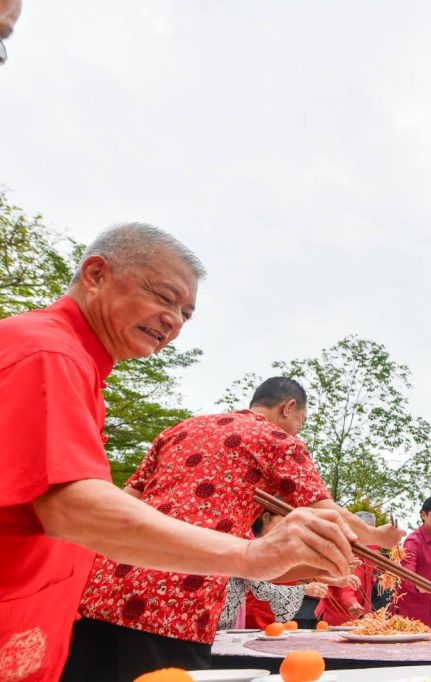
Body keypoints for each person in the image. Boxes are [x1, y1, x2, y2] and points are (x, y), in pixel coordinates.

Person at [0, 224, 363, 682]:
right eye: (163, 296)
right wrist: (255, 554)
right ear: (94, 274)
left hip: (94, 596)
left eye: (186, 313)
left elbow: (124, 498)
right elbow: (72, 505)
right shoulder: (48, 352)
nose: (172, 320)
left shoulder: (171, 423)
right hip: (173, 599)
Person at [65, 376, 401, 680]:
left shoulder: (179, 429)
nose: (299, 430)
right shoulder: (277, 439)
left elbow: (125, 502)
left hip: (102, 586)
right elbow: (328, 515)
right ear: (289, 407)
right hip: (178, 598)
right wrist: (379, 536)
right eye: (301, 421)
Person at [218, 509, 332, 630]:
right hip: (250, 611)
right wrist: (304, 589)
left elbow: (291, 572)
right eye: (284, 523)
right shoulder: (246, 541)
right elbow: (261, 586)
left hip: (260, 610)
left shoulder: (278, 545)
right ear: (266, 517)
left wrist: (332, 576)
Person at [315, 511, 380, 625]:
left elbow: (370, 579)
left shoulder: (372, 549)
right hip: (335, 611)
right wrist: (353, 603)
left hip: (361, 614)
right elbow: (345, 586)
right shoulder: (342, 548)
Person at [394, 496, 431, 625]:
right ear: (423, 515)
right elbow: (407, 574)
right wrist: (421, 586)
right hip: (411, 609)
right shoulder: (412, 541)